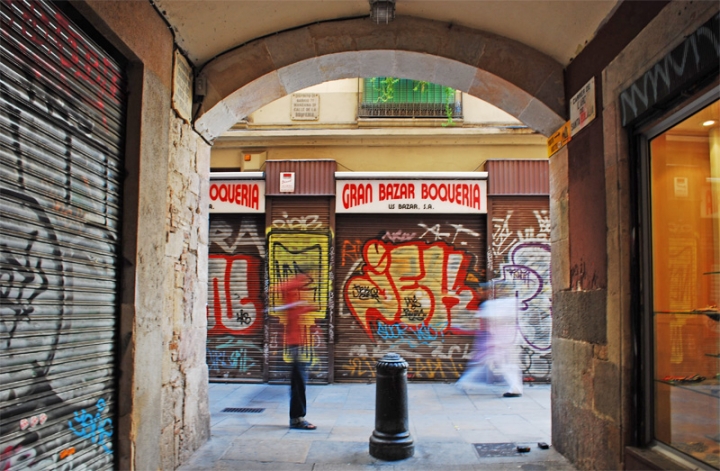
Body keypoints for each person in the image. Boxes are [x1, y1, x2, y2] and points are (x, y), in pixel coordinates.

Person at [456, 280, 523, 397]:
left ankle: (465, 382)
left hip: (501, 341)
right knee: (492, 363)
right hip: (505, 340)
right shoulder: (510, 303)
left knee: (497, 364)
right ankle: (465, 382)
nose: (479, 293)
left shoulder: (492, 305)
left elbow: (480, 320)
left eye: (482, 290)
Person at [272, 273, 317, 430]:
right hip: (294, 343)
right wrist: (304, 306)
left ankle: (297, 417)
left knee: (298, 381)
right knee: (298, 381)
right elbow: (291, 311)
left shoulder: (294, 293)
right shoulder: (291, 291)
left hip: (296, 343)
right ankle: (297, 419)